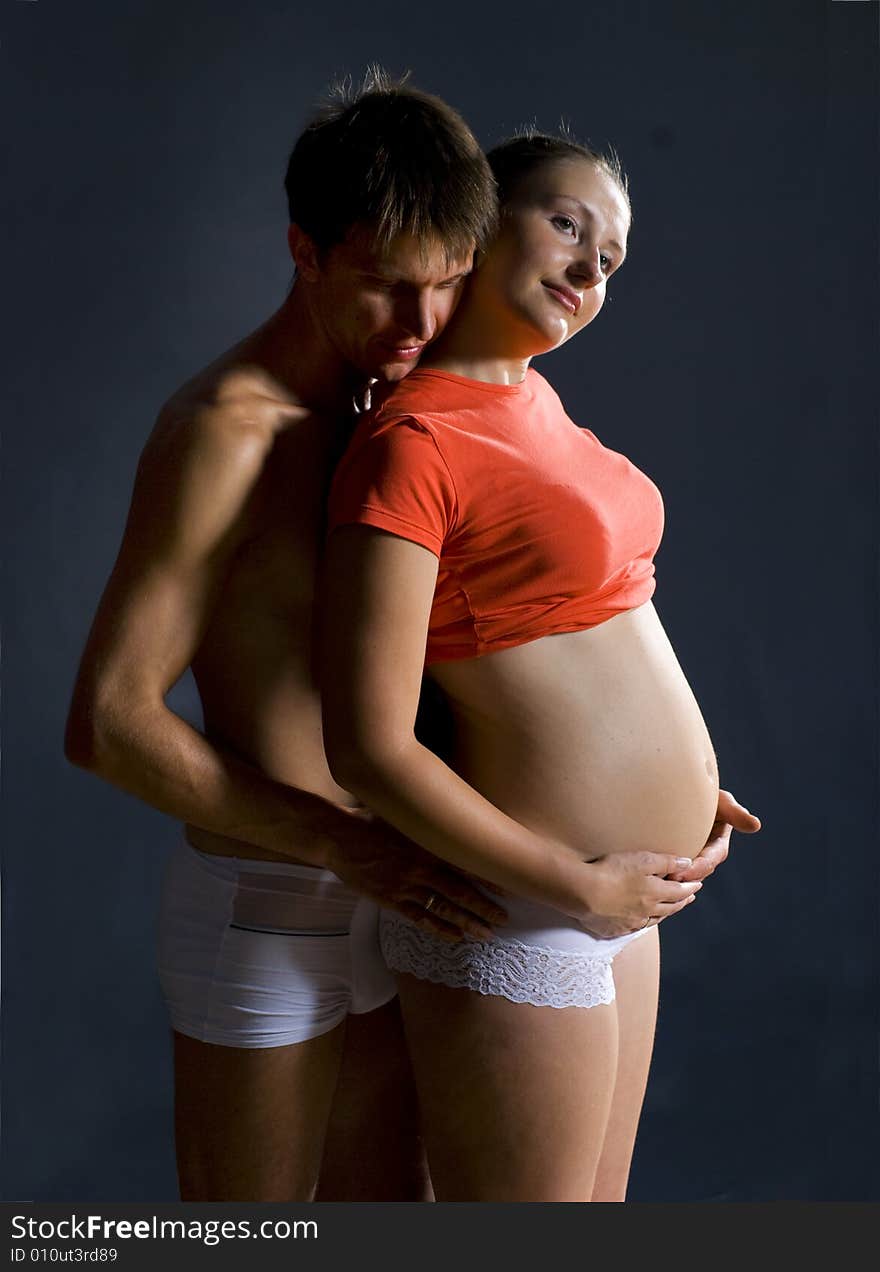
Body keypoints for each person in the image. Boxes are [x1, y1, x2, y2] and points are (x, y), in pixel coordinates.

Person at [63, 72, 508, 1203]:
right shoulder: (226, 432)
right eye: (382, 288)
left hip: (402, 892)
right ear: (303, 251)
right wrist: (341, 843)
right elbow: (110, 724)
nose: (419, 326)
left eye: (450, 284)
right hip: (269, 903)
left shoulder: (400, 411)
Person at [322, 131, 761, 1202]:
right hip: (530, 899)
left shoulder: (536, 406)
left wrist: (671, 779)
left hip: (621, 898)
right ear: (480, 220)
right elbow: (368, 746)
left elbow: (568, 641)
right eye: (566, 224)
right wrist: (579, 878)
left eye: (609, 256)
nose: (589, 266)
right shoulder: (412, 442)